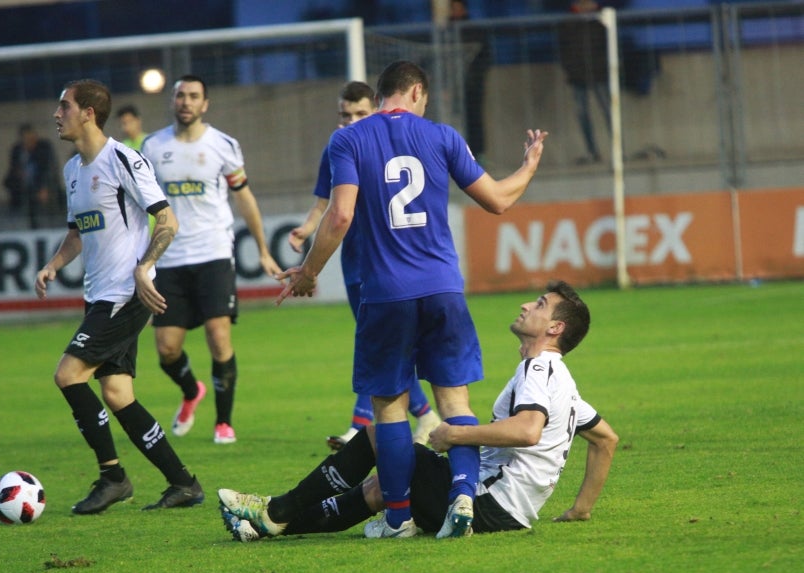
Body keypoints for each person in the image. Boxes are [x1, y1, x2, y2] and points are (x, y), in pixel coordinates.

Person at [275, 60, 548, 538]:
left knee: (390, 408)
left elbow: (339, 216)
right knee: (454, 400)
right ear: (417, 91)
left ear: (382, 96)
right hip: (444, 289)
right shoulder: (441, 136)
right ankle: (463, 495)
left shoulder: (348, 139)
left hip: (385, 295)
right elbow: (499, 200)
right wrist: (528, 165)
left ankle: (398, 518)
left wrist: (308, 273)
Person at [218, 280, 618, 541]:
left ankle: (277, 508)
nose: (527, 304)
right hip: (506, 510)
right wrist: (580, 510)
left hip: (488, 505)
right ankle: (268, 524)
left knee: (380, 439)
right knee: (382, 486)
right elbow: (605, 439)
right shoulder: (560, 378)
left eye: (541, 305)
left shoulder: (538, 368)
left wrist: (456, 434)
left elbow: (528, 430)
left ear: (555, 329)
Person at [35, 78, 204, 514]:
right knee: (117, 394)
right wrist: (55, 264)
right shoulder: (73, 170)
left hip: (127, 295)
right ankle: (183, 483)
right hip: (99, 297)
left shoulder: (124, 160)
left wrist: (144, 267)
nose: (57, 114)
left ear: (89, 112)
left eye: (64, 106)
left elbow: (167, 221)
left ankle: (113, 477)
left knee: (68, 375)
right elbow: (78, 233)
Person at [288, 80, 441, 451]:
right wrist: (306, 230)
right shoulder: (337, 146)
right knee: (379, 343)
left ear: (374, 108)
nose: (350, 120)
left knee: (377, 343)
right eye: (345, 114)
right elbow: (325, 203)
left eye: (359, 113)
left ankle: (362, 426)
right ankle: (426, 416)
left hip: (386, 261)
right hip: (354, 261)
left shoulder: (382, 145)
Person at [142, 75, 282, 444]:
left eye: (193, 96)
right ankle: (191, 391)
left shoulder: (223, 145)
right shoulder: (152, 147)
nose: (185, 102)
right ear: (172, 101)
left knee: (219, 337)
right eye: (180, 96)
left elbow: (244, 197)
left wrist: (263, 250)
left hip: (213, 253)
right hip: (169, 258)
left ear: (205, 104)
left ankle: (223, 422)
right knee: (167, 350)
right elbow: (140, 203)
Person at [556, 0, 612, 164]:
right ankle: (592, 152)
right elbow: (563, 51)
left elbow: (609, 49)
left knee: (610, 112)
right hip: (578, 76)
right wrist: (570, 70)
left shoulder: (602, 23)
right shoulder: (567, 25)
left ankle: (618, 152)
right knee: (582, 114)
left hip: (600, 75)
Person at [449, 0, 493, 164]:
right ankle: (456, 155)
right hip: (452, 85)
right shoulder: (445, 31)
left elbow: (485, 57)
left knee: (474, 119)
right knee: (453, 120)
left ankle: (478, 154)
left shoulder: (475, 31)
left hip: (473, 85)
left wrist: (475, 77)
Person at [2, 122, 63, 229]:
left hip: (42, 185)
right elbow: (13, 170)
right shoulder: (17, 151)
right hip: (24, 187)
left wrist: (44, 187)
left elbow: (50, 169)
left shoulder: (44, 147)